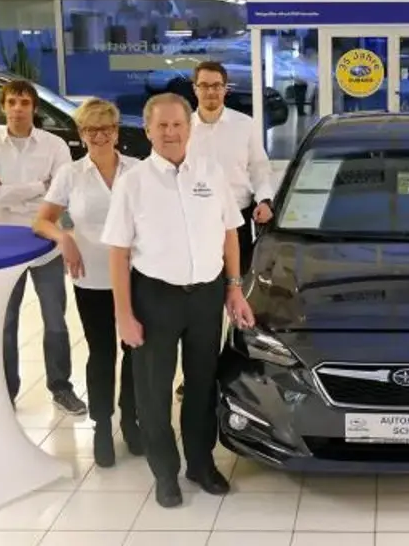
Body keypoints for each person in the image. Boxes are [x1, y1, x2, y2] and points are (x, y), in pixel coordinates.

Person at [102, 93, 256, 508]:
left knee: (203, 384)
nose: (170, 133)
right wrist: (123, 314)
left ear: (189, 129)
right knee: (153, 391)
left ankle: (200, 464)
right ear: (148, 130)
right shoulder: (133, 182)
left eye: (177, 125)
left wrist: (234, 288)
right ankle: (165, 473)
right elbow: (117, 252)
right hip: (155, 297)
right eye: (162, 126)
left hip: (206, 295)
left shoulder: (210, 173)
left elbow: (229, 231)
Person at [33, 98, 141, 467]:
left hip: (136, 276)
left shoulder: (137, 170)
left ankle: (131, 421)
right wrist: (64, 238)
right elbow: (42, 220)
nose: (99, 136)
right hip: (91, 278)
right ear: (81, 134)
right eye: (91, 129)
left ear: (116, 131)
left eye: (106, 128)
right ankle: (102, 427)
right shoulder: (71, 174)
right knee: (102, 355)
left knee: (135, 353)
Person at [0, 79, 86, 415]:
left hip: (45, 240)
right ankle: (6, 391)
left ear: (34, 108)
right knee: (5, 322)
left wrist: (10, 192)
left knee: (55, 320)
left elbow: (61, 194)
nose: (18, 109)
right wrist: (39, 187)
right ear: (3, 106)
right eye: (12, 102)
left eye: (24, 103)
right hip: (2, 244)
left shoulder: (54, 145)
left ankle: (61, 387)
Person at [177, 60, 275, 399]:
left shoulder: (244, 125)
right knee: (200, 304)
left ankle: (237, 371)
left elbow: (260, 168)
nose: (211, 92)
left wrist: (265, 199)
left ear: (225, 88)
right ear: (194, 89)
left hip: (239, 219)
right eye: (204, 85)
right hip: (195, 223)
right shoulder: (183, 128)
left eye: (217, 85)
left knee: (239, 296)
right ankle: (196, 373)